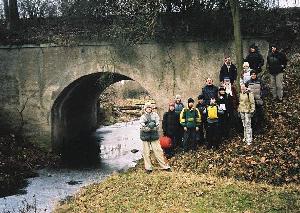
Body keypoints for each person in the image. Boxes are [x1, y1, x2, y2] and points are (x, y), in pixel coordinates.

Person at [140, 102, 171, 173]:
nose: (149, 109)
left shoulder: (155, 115)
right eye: (147, 108)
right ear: (145, 109)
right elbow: (142, 126)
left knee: (159, 151)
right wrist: (147, 128)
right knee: (146, 153)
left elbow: (157, 124)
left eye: (150, 107)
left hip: (154, 135)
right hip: (145, 136)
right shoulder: (143, 117)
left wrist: (153, 127)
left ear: (151, 108)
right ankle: (148, 168)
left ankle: (165, 166)